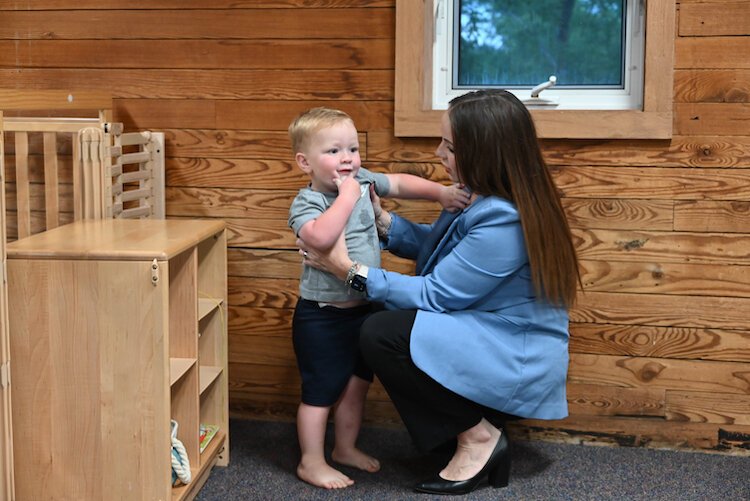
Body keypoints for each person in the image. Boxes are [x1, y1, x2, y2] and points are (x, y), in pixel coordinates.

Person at [297, 90, 581, 495]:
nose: (437, 152)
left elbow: (435, 294)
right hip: (486, 333)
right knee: (384, 324)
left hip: (511, 356)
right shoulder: (484, 196)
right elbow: (443, 250)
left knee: (381, 331)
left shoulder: (504, 218)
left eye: (448, 146)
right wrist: (382, 221)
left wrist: (348, 271)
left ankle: (478, 436)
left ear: (482, 151)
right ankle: (463, 428)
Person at [287, 106, 470, 490]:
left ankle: (344, 447)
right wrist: (348, 195)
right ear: (305, 162)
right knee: (320, 393)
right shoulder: (308, 204)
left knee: (357, 385)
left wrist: (440, 193)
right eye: (333, 151)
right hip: (321, 316)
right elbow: (319, 239)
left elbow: (399, 184)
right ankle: (311, 461)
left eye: (351, 149)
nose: (347, 159)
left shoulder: (361, 178)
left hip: (362, 310)